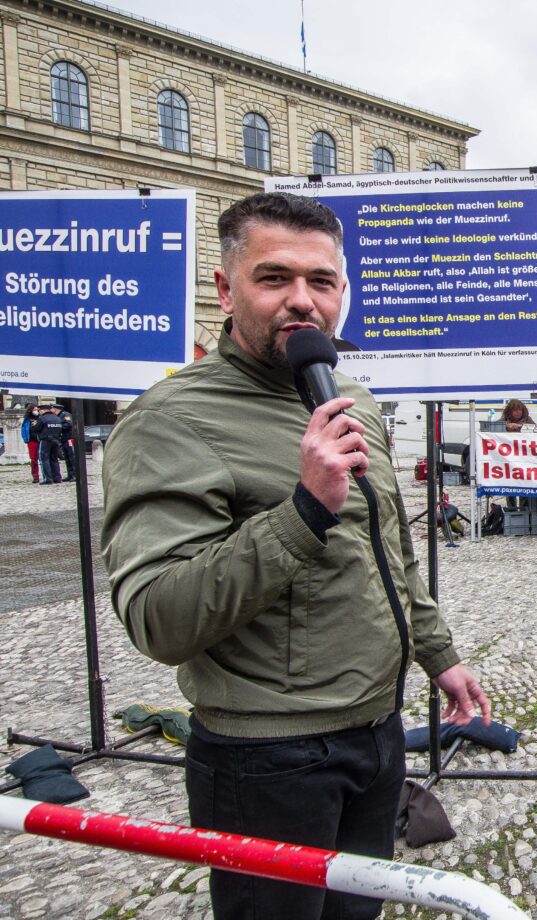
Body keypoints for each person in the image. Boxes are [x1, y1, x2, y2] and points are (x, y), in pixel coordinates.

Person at [101, 192, 489, 920]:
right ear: (225, 288)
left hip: (375, 733)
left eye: (321, 281)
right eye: (273, 278)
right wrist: (303, 509)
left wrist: (439, 653)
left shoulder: (350, 400)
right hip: (267, 758)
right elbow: (158, 619)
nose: (301, 301)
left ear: (342, 291)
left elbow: (388, 549)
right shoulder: (170, 421)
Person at [34, 405, 66, 485]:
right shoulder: (57, 418)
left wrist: (34, 425)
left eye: (39, 411)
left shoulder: (42, 418)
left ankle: (48, 478)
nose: (39, 412)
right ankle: (57, 478)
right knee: (54, 459)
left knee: (44, 459)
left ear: (43, 410)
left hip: (45, 440)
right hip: (56, 440)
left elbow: (36, 429)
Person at [21, 404, 41, 483]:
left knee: (43, 458)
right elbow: (23, 430)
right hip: (32, 441)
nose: (36, 411)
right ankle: (35, 476)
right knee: (34, 459)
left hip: (41, 440)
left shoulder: (40, 418)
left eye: (37, 409)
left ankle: (47, 475)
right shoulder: (27, 420)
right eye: (35, 409)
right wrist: (26, 439)